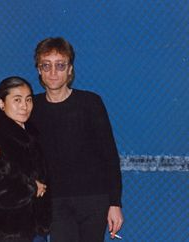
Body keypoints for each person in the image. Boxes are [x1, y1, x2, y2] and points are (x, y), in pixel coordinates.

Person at [29, 37, 124, 242]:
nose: (53, 72)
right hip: (55, 202)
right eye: (46, 65)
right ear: (39, 70)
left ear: (70, 69)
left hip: (94, 200)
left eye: (60, 65)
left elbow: (109, 155)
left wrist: (115, 203)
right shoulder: (30, 107)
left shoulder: (90, 102)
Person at [0, 76, 50, 242]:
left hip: (36, 228)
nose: (24, 106)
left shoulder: (33, 134)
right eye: (17, 100)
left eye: (28, 100)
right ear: (2, 104)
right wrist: (31, 187)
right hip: (9, 230)